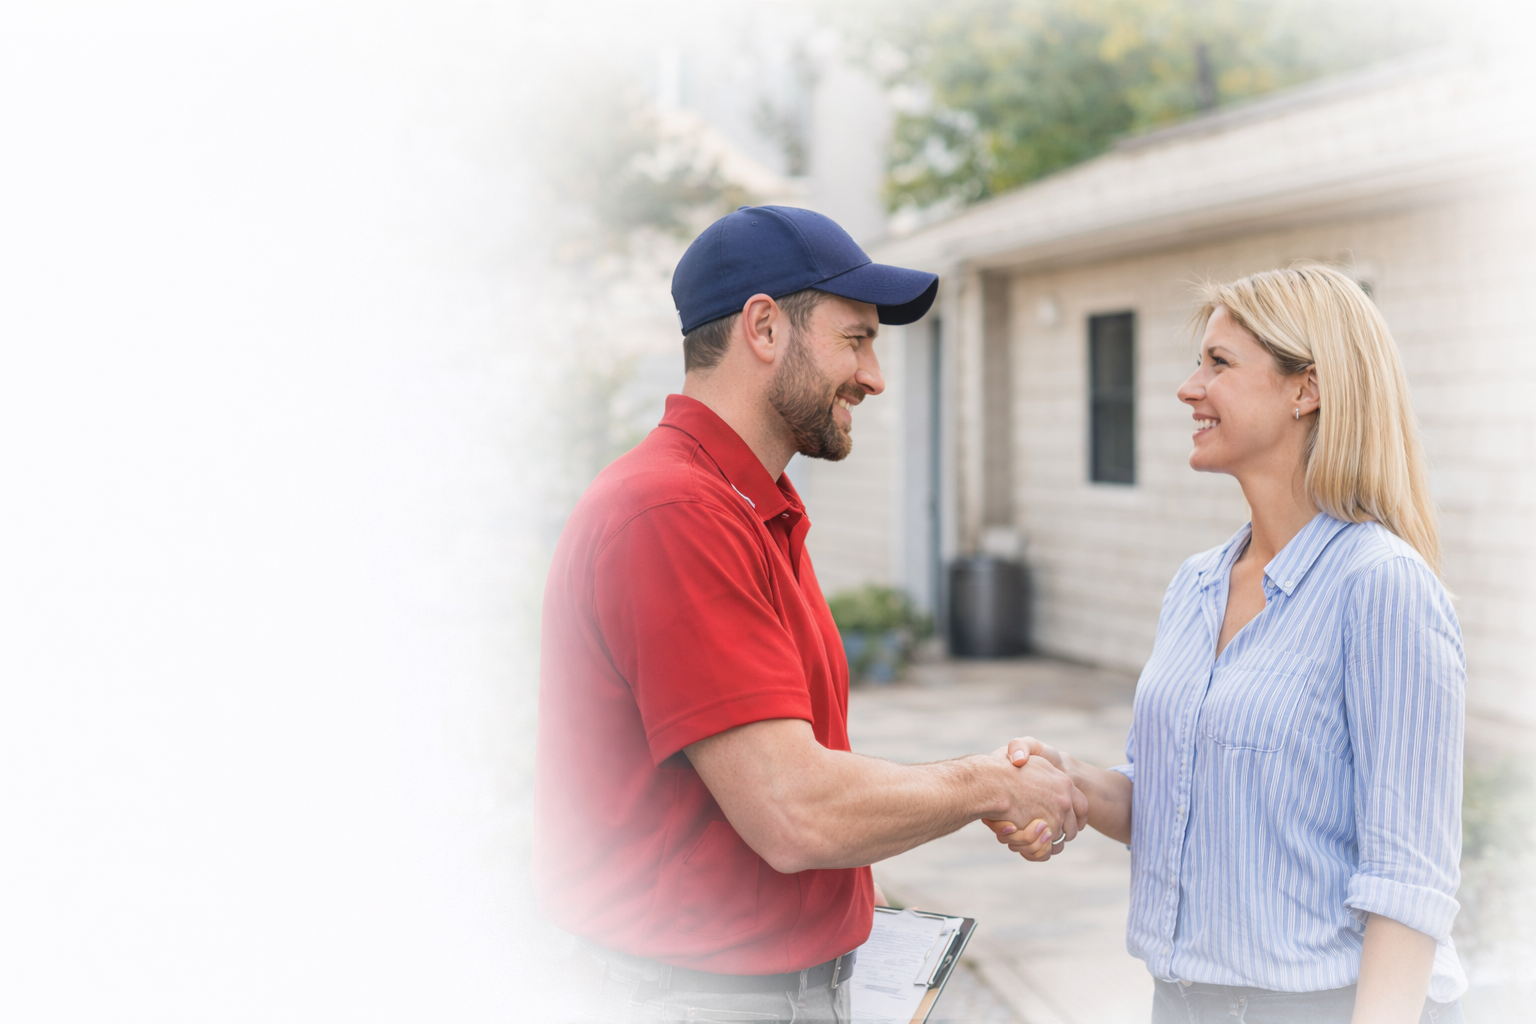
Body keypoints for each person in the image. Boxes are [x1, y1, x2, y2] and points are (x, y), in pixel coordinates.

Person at [535, 205, 1087, 1024]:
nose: (874, 376)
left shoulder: (745, 507)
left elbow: (799, 782)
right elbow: (794, 811)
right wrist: (985, 785)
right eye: (856, 338)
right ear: (764, 328)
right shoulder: (673, 512)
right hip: (700, 999)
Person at [990, 264, 1466, 1023]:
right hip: (1182, 1003)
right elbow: (1168, 794)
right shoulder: (1197, 584)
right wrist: (1073, 785)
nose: (1188, 388)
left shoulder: (1382, 588)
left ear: (1304, 390)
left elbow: (1408, 881)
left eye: (1219, 364)